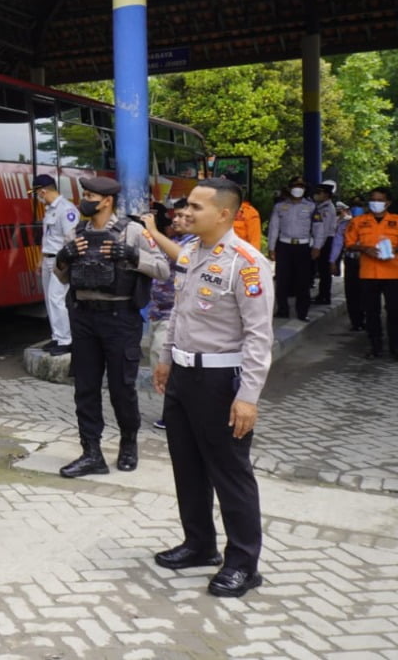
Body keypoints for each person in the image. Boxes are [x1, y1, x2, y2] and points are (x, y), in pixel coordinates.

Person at [152, 177, 274, 598]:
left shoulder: (247, 262)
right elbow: (179, 315)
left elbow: (259, 337)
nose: (186, 213)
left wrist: (248, 397)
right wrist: (166, 360)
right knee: (187, 465)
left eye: (197, 208)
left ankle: (243, 563)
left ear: (224, 214)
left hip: (222, 382)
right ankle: (198, 544)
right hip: (184, 375)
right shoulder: (189, 252)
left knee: (230, 473)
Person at [53, 176, 170, 477]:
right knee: (86, 388)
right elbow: (63, 277)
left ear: (107, 200)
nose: (85, 199)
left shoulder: (133, 231)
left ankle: (128, 443)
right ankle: (91, 453)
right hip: (83, 318)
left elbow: (163, 268)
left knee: (122, 388)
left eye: (90, 195)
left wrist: (132, 255)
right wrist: (64, 257)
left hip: (120, 320)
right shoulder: (77, 232)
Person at [140, 209, 196, 430]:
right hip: (158, 310)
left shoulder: (195, 242)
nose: (177, 219)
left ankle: (177, 415)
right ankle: (172, 412)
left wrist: (153, 231)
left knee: (164, 360)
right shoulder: (174, 239)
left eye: (183, 215)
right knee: (158, 362)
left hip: (174, 314)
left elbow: (183, 257)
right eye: (176, 215)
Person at [343, 187, 398, 359]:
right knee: (371, 312)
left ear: (388, 203)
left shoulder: (396, 221)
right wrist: (364, 248)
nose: (376, 203)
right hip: (368, 273)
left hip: (393, 273)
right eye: (373, 199)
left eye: (380, 200)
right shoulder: (358, 221)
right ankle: (375, 347)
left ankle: (395, 348)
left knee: (395, 312)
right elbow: (349, 242)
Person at [32, 173, 78, 355]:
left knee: (56, 299)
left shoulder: (66, 210)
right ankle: (57, 337)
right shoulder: (50, 209)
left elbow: (71, 239)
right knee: (50, 300)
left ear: (43, 191)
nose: (37, 197)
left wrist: (65, 262)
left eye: (37, 193)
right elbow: (48, 237)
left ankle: (66, 340)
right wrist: (40, 260)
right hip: (48, 258)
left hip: (61, 260)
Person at [267, 175, 315, 321]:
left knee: (303, 281)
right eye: (295, 185)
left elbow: (318, 228)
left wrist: (317, 246)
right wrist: (271, 247)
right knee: (282, 280)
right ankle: (282, 310)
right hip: (284, 246)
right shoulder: (280, 206)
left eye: (301, 186)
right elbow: (274, 227)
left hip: (303, 246)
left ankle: (302, 312)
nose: (298, 189)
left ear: (305, 189)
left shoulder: (311, 207)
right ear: (289, 188)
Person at [332, 197, 367, 331]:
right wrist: (332, 260)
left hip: (366, 261)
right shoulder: (344, 225)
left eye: (359, 205)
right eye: (354, 205)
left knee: (366, 292)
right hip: (351, 261)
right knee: (352, 292)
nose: (356, 208)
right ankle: (356, 321)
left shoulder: (369, 223)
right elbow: (337, 243)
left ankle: (367, 318)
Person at [310, 181, 338, 304]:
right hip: (322, 241)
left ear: (326, 195)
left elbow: (324, 229)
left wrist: (318, 246)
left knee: (324, 271)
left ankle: (325, 296)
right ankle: (323, 294)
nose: (317, 195)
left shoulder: (327, 209)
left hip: (325, 241)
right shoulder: (320, 206)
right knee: (322, 270)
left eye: (319, 193)